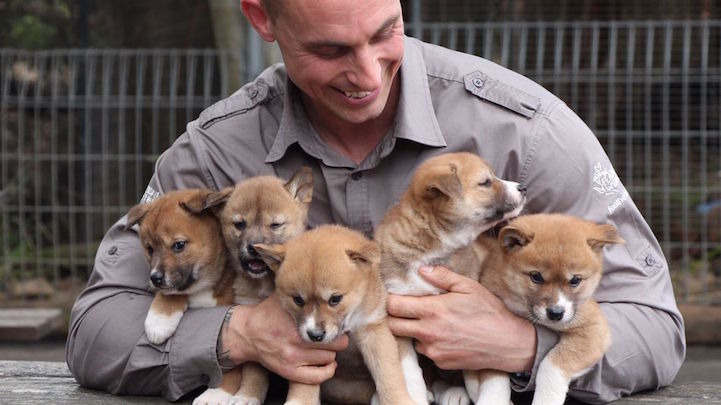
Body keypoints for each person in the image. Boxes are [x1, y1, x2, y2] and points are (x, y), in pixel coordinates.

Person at [66, 0, 685, 403]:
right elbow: (96, 329)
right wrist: (240, 333)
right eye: (330, 50)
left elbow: (656, 327)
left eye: (386, 32)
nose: (367, 75)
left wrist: (524, 346)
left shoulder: (526, 132)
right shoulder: (215, 151)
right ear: (261, 18)